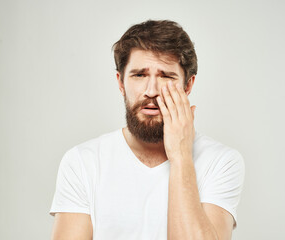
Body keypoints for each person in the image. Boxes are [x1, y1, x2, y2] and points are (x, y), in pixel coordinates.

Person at [49, 19, 245, 240]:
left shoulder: (221, 162)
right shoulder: (82, 162)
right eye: (139, 75)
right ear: (121, 83)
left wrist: (181, 157)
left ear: (188, 85)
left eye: (166, 76)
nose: (151, 90)